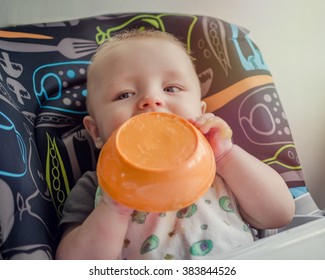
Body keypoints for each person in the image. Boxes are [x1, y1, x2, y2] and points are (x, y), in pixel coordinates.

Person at [55, 29, 294, 260]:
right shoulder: (97, 185)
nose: (151, 100)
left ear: (201, 112)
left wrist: (226, 156)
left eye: (171, 88)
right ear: (96, 131)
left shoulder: (222, 167)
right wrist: (115, 205)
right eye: (124, 94)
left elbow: (279, 215)